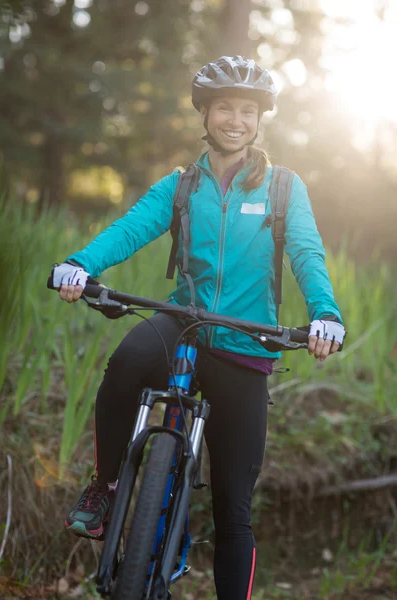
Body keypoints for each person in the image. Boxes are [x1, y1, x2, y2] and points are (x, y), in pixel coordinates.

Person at [52, 56, 346, 600]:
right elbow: (133, 227)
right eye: (224, 108)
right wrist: (82, 264)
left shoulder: (282, 188)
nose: (235, 119)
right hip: (181, 323)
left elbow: (306, 253)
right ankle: (107, 486)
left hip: (245, 341)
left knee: (234, 508)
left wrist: (325, 313)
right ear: (205, 113)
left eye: (248, 110)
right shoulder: (182, 185)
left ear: (260, 120)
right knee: (125, 365)